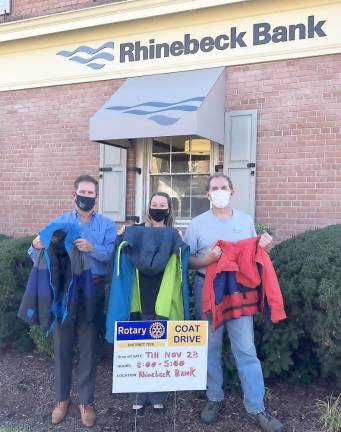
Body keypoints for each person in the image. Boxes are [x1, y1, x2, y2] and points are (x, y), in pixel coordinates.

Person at [184, 173, 284, 432]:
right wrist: (207, 260)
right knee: (210, 347)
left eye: (223, 187)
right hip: (208, 288)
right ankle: (214, 398)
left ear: (232, 192)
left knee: (246, 348)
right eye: (214, 188)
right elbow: (187, 261)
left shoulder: (245, 221)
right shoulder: (196, 224)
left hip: (239, 290)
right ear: (207, 194)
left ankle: (256, 405)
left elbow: (256, 255)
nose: (219, 192)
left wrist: (266, 246)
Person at [28, 175, 116, 428]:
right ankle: (61, 400)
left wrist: (92, 247)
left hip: (92, 292)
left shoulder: (107, 225)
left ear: (96, 198)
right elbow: (36, 252)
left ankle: (86, 402)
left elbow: (109, 256)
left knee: (89, 348)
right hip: (64, 294)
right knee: (62, 346)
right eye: (82, 192)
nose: (86, 197)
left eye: (91, 193)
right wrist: (35, 245)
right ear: (74, 194)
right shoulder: (61, 222)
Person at [108, 192, 188, 415]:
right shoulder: (134, 231)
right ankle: (138, 395)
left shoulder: (173, 234)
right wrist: (121, 235)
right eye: (155, 204)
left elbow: (183, 256)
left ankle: (156, 395)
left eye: (162, 204)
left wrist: (181, 242)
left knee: (159, 344)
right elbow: (118, 249)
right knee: (137, 343)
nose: (158, 207)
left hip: (161, 292)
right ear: (148, 207)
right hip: (139, 292)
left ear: (169, 209)